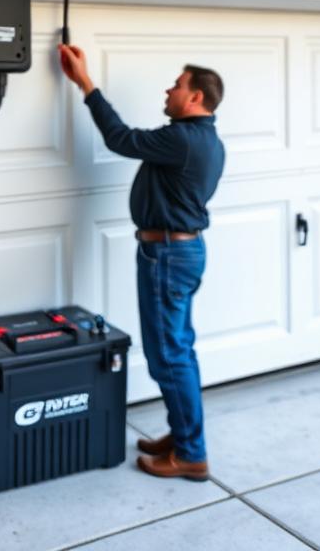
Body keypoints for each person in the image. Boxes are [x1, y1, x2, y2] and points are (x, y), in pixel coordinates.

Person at [58, 44, 225, 481]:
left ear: (195, 99)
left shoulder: (181, 140)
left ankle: (191, 453)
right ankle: (184, 435)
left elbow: (120, 138)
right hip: (180, 252)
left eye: (177, 84)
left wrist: (85, 83)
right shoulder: (206, 140)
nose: (168, 90)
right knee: (178, 351)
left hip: (167, 254)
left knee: (168, 355)